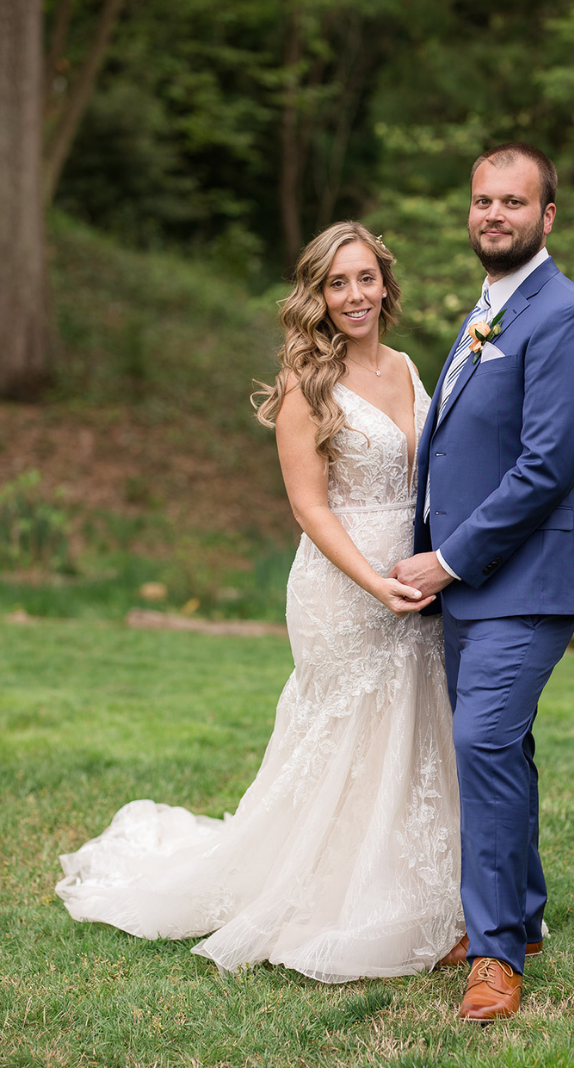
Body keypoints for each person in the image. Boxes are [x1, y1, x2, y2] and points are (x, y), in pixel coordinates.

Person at [56, 221, 466, 982]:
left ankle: (427, 886)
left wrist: (438, 562)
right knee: (346, 734)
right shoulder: (306, 386)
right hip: (343, 587)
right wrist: (372, 581)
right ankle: (331, 895)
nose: (354, 295)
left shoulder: (410, 366)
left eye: (366, 278)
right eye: (337, 283)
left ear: (386, 284)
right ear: (316, 295)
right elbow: (310, 508)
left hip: (417, 578)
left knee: (411, 728)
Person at [391, 142, 574, 1023]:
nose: (495, 214)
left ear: (547, 217)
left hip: (527, 580)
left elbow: (546, 467)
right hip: (469, 585)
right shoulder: (484, 313)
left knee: (482, 743)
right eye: (483, 200)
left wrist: (446, 558)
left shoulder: (568, 318)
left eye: (514, 202)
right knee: (499, 750)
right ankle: (516, 918)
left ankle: (493, 957)